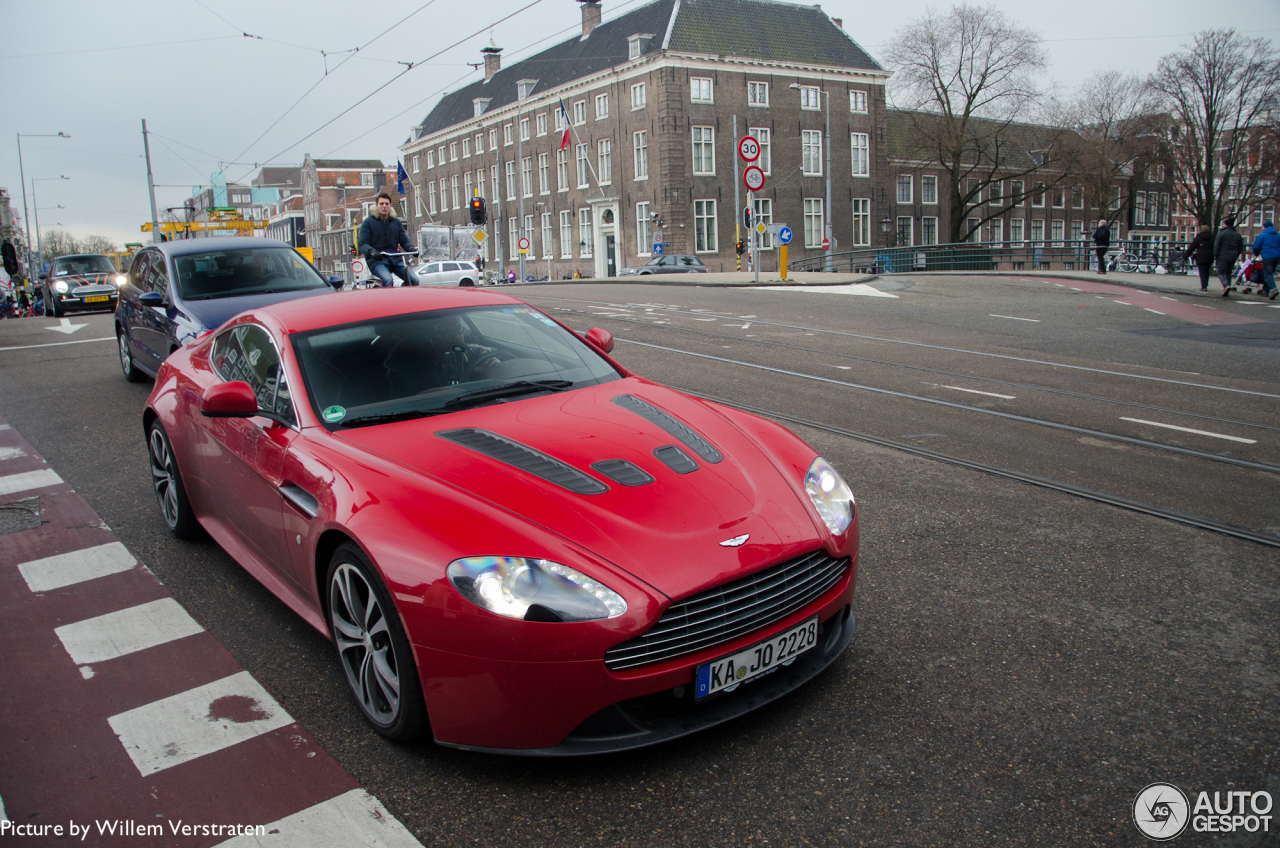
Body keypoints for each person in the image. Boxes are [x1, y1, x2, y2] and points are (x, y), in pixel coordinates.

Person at [358, 193, 419, 287]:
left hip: (395, 258)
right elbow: (362, 244)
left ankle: (404, 298)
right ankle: (385, 301)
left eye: (387, 204)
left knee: (414, 280)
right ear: (376, 205)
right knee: (388, 280)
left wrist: (411, 248)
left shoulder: (396, 222)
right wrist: (372, 251)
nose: (384, 206)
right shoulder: (368, 223)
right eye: (381, 204)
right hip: (377, 260)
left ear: (390, 206)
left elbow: (404, 241)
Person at [1212, 216, 1244, 298]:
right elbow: (1240, 247)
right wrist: (1236, 254)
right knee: (1228, 273)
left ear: (1225, 225)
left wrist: (1216, 255)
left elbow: (1217, 246)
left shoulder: (1222, 234)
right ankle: (1227, 288)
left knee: (1220, 272)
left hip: (1223, 256)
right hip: (1233, 256)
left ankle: (1226, 286)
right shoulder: (1237, 234)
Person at [1251, 219, 1280, 300]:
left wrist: (1256, 253)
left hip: (1267, 256)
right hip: (1277, 257)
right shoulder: (1278, 235)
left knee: (1267, 274)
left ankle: (1273, 289)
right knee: (1270, 273)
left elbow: (1256, 246)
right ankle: (1265, 290)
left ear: (1264, 227)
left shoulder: (1262, 235)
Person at [1184, 225, 1215, 292]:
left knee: (1202, 271)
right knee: (1207, 271)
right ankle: (1206, 284)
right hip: (1210, 256)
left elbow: (1191, 248)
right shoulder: (1212, 238)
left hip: (1201, 256)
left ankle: (1203, 286)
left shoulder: (1198, 238)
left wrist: (1186, 256)